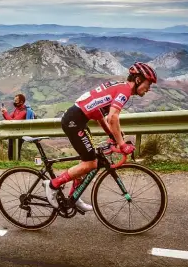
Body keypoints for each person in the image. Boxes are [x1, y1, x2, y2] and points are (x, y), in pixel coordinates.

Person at [43, 62, 157, 212]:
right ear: (138, 80)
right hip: (74, 121)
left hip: (78, 120)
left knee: (87, 161)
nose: (148, 89)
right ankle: (53, 185)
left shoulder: (119, 87)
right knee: (90, 164)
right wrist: (122, 144)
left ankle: (74, 197)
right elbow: (113, 118)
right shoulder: (125, 91)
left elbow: (99, 116)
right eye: (148, 84)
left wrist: (112, 135)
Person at [1, 93, 27, 160]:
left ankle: (17, 165)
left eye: (16, 101)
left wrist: (5, 113)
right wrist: (4, 113)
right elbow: (9, 118)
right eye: (14, 101)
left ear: (21, 102)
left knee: (16, 151)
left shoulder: (23, 111)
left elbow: (13, 122)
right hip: (13, 132)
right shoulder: (17, 109)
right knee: (10, 150)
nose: (14, 102)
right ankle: (12, 165)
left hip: (20, 134)